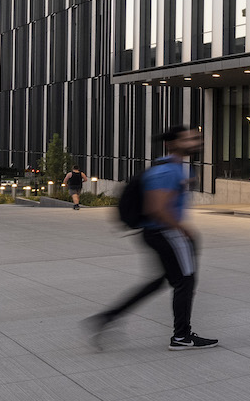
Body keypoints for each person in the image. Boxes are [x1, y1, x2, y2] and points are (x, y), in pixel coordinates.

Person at [87, 126, 217, 351]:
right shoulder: (168, 171)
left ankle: (108, 317)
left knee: (161, 281)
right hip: (166, 233)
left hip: (157, 233)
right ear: (173, 144)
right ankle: (181, 337)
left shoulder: (175, 167)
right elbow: (156, 207)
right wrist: (183, 230)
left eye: (197, 137)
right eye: (190, 138)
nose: (196, 141)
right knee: (185, 281)